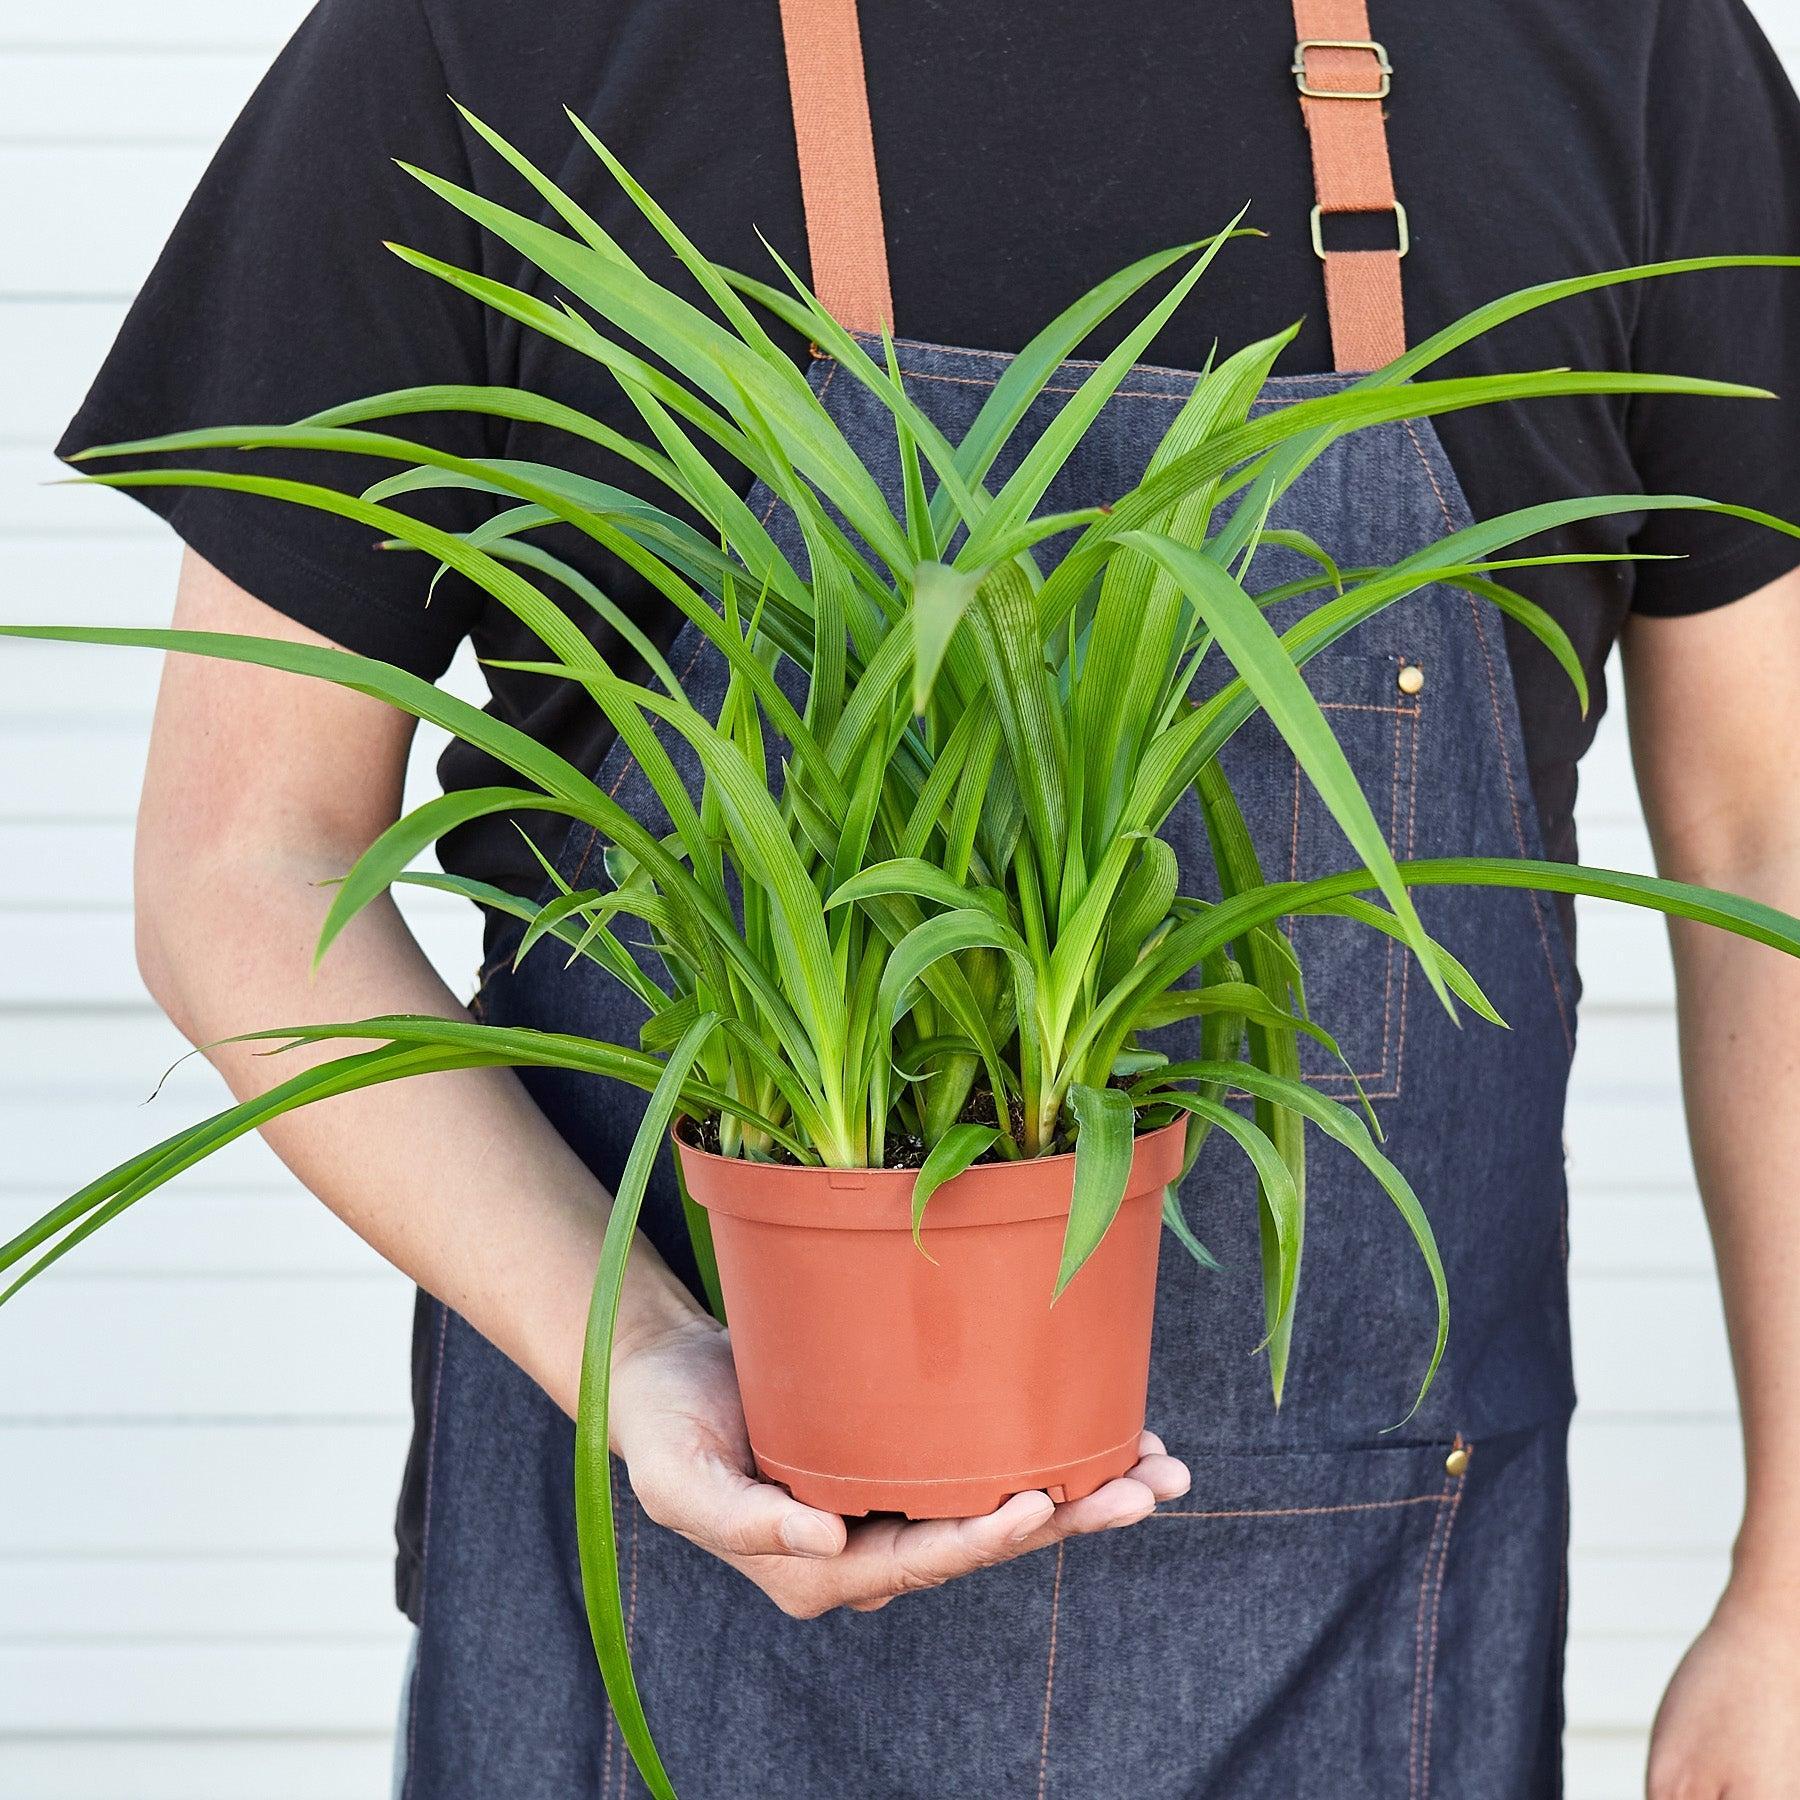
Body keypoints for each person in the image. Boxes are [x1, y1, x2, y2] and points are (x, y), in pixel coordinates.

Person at [57, 0, 1800, 1793]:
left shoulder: (1623, 40)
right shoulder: (500, 36)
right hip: (663, 1630)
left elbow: (1770, 847)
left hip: (1362, 1654)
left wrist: (1794, 1588)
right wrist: (644, 1347)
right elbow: (242, 861)